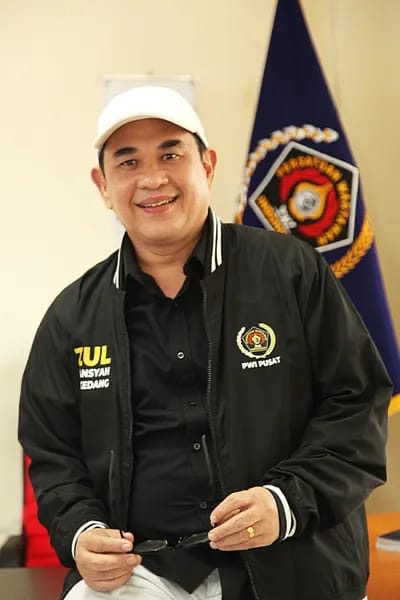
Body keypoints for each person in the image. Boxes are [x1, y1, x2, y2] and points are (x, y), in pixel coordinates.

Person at [18, 85, 392, 600]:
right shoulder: (71, 317)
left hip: (290, 560)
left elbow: (356, 404)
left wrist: (285, 502)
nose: (152, 178)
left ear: (208, 166)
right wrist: (81, 532)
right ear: (103, 185)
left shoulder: (291, 272)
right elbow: (52, 454)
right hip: (139, 571)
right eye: (128, 162)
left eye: (171, 154)